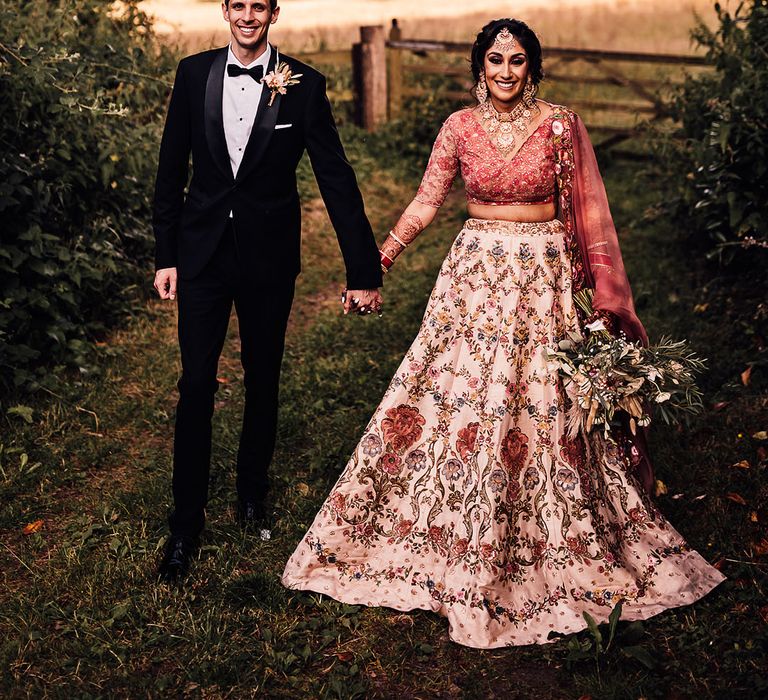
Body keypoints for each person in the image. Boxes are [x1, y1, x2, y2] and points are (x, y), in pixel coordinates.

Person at [281, 19, 725, 648]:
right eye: (496, 60)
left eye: (518, 60)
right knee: (457, 400)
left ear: (532, 67)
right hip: (475, 278)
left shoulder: (562, 126)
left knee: (544, 406)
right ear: (479, 65)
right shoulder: (458, 128)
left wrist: (596, 297)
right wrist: (377, 260)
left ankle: (553, 536)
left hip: (541, 279)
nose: (507, 71)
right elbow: (427, 202)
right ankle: (454, 525)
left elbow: (588, 213)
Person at [152, 0, 383, 583]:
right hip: (202, 257)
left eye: (259, 6)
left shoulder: (303, 85)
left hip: (268, 260)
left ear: (273, 13)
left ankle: (252, 493)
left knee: (262, 375)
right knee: (197, 382)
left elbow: (335, 175)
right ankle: (185, 525)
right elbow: (169, 169)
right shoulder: (192, 73)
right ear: (226, 11)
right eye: (239, 5)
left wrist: (363, 269)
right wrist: (166, 255)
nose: (248, 16)